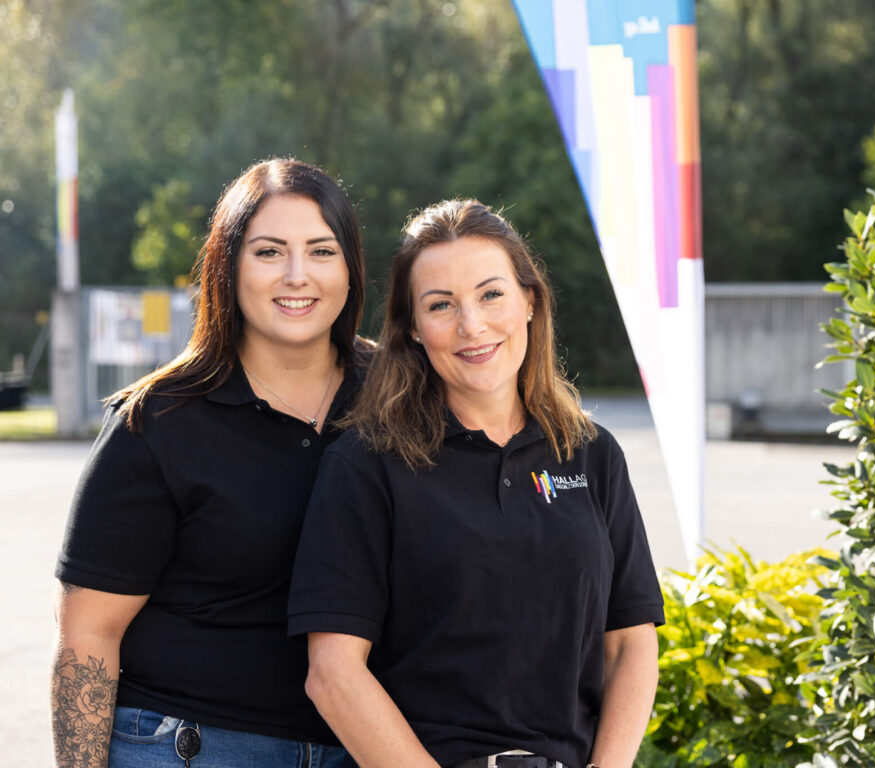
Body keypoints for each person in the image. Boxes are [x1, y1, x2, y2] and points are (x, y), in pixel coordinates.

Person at [287, 199, 664, 768]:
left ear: (529, 301)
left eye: (492, 294)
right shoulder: (367, 464)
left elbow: (631, 643)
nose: (472, 325)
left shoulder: (591, 453)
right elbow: (333, 674)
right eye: (441, 305)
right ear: (412, 329)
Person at [52, 158, 370, 768]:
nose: (297, 276)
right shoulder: (157, 422)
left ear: (350, 268)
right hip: (191, 745)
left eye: (321, 251)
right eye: (270, 252)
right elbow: (88, 638)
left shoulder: (395, 399)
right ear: (228, 265)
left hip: (365, 745)